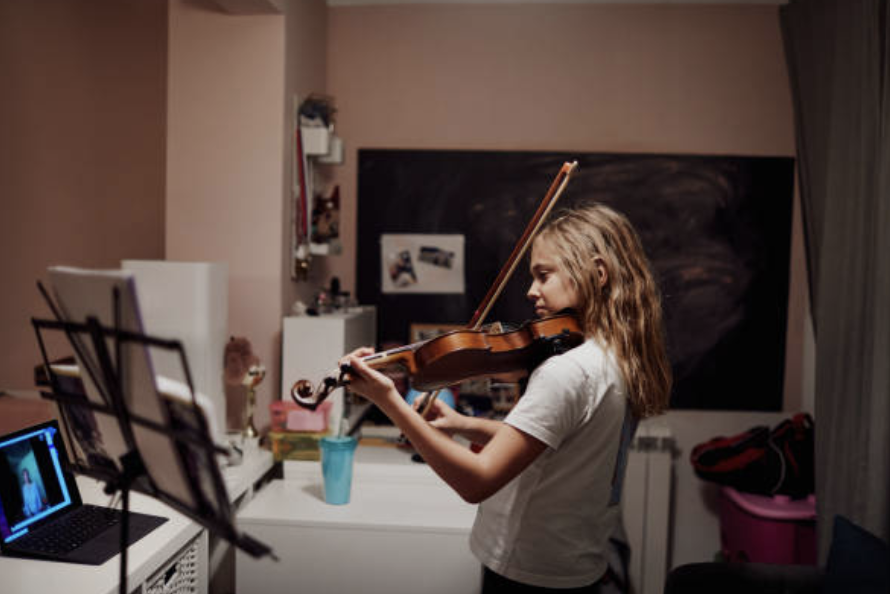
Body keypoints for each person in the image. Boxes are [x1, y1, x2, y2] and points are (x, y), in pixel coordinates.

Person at [342, 203, 672, 592]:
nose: (531, 291)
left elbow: (477, 483)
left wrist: (389, 402)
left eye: (543, 275)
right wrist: (463, 425)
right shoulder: (617, 357)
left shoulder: (565, 371)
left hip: (528, 571)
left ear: (597, 273)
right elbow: (551, 445)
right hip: (574, 563)